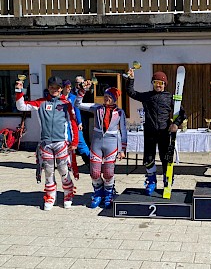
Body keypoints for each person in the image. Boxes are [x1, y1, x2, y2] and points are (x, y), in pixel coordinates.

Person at [15, 76, 79, 211]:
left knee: (63, 170)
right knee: (48, 171)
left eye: (57, 88)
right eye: (52, 87)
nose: (54, 90)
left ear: (61, 89)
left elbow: (73, 122)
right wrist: (19, 90)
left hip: (61, 142)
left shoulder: (66, 104)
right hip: (45, 143)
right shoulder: (41, 102)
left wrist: (74, 141)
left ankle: (68, 194)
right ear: (48, 88)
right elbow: (21, 106)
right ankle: (50, 196)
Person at [126, 69, 186, 196]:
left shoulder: (170, 97)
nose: (158, 85)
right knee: (148, 158)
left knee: (165, 158)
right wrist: (131, 79)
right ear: (152, 83)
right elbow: (131, 92)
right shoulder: (147, 96)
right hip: (149, 132)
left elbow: (182, 113)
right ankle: (151, 180)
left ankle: (167, 179)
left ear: (165, 84)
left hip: (164, 132)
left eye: (161, 83)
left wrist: (176, 124)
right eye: (156, 83)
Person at [75, 86, 127, 208]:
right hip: (97, 144)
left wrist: (122, 149)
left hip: (112, 144)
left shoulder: (120, 112)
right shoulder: (97, 108)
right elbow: (78, 104)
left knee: (108, 172)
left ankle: (109, 193)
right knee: (94, 172)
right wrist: (82, 91)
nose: (107, 98)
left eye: (110, 97)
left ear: (115, 99)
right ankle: (98, 193)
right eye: (105, 96)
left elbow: (123, 131)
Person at [62, 80, 90, 165]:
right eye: (67, 87)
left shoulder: (73, 97)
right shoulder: (58, 98)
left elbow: (77, 110)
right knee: (66, 142)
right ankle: (66, 163)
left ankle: (89, 161)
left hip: (74, 123)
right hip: (63, 125)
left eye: (70, 87)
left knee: (80, 141)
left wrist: (80, 122)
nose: (69, 88)